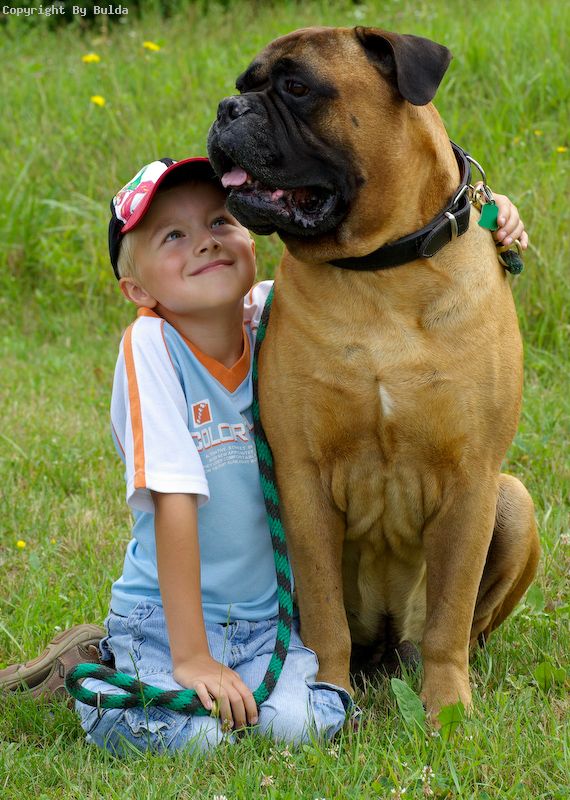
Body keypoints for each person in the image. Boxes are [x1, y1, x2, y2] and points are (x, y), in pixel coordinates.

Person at [0, 156, 528, 754]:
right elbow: (174, 502)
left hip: (267, 621)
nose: (205, 243)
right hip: (170, 620)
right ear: (137, 291)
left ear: (253, 239)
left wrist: (492, 212)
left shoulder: (281, 313)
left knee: (304, 726)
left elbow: (397, 247)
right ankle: (97, 673)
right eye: (173, 236)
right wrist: (192, 658)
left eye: (220, 222)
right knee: (195, 740)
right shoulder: (151, 346)